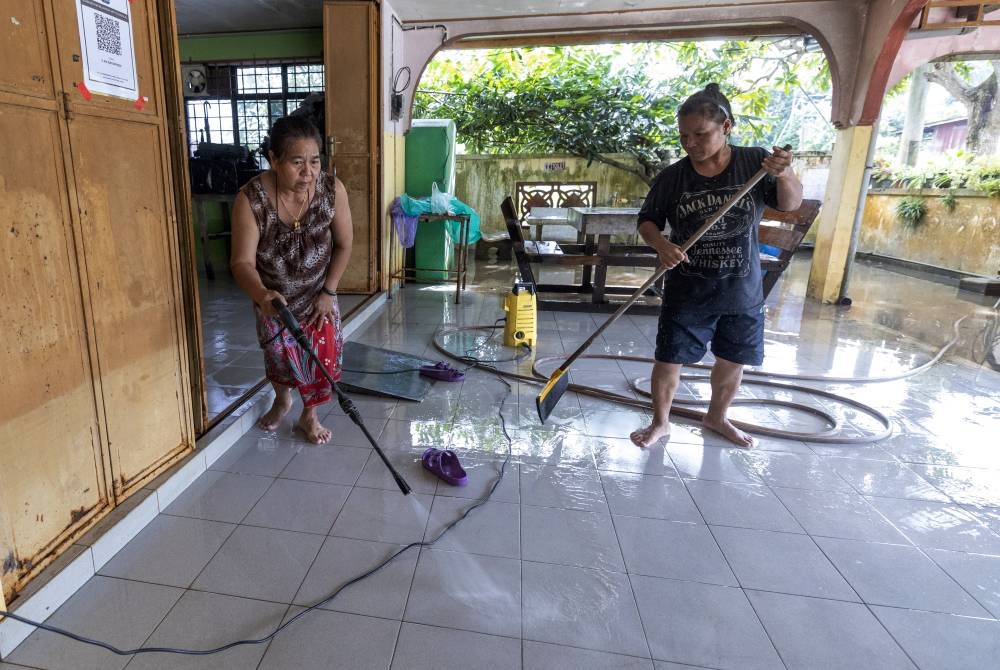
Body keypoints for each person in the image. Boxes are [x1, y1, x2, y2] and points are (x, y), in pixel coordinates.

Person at [631, 83, 803, 449]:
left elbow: (789, 205)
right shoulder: (673, 177)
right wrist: (662, 245)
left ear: (726, 127)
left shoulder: (754, 163)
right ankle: (660, 422)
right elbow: (647, 221)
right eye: (684, 136)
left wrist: (785, 173)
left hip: (740, 286)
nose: (690, 143)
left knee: (732, 358)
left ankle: (717, 417)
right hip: (688, 287)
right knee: (669, 357)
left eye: (700, 134)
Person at [230, 115, 353, 444]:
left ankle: (309, 415)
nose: (308, 173)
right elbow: (241, 262)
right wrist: (261, 295)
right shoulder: (251, 199)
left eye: (315, 161)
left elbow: (344, 244)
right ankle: (283, 401)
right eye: (297, 163)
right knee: (277, 356)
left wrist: (329, 292)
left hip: (318, 294)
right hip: (274, 298)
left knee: (320, 356)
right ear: (274, 159)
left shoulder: (331, 190)